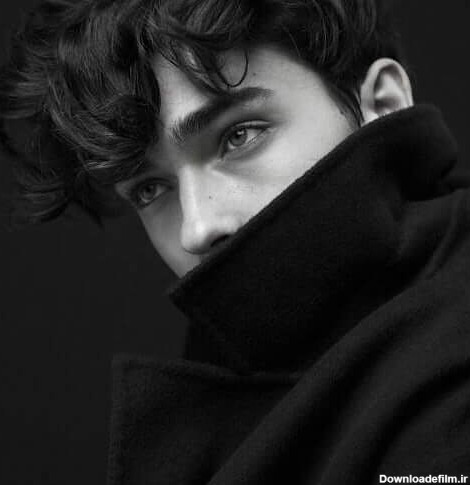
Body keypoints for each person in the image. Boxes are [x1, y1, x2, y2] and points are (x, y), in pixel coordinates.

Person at [1, 0, 470, 484]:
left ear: (384, 105)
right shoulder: (234, 371)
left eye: (240, 135)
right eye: (150, 189)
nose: (197, 228)